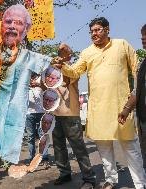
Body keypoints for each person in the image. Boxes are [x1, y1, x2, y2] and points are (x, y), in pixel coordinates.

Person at [55, 17, 146, 189]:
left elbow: (137, 69)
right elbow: (75, 72)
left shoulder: (122, 45)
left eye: (98, 30)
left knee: (131, 148)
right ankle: (111, 180)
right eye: (92, 32)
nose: (94, 34)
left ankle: (140, 184)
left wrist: (136, 96)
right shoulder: (87, 52)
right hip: (99, 109)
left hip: (122, 106)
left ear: (107, 29)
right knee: (104, 149)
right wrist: (63, 66)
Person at [0, 4, 56, 164]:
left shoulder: (21, 58)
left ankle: (39, 158)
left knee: (33, 134)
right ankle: (0, 160)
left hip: (27, 110)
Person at [52, 44, 96, 189]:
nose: (66, 55)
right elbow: (48, 84)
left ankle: (88, 178)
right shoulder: (52, 68)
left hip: (71, 112)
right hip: (55, 112)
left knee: (78, 147)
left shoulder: (73, 69)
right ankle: (64, 173)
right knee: (58, 146)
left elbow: (67, 79)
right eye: (62, 53)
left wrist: (61, 65)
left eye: (67, 53)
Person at [118, 24, 146, 169]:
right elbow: (137, 90)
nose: (143, 38)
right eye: (142, 35)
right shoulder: (141, 65)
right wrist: (127, 109)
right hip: (142, 120)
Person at [25, 73, 45, 164]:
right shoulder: (24, 78)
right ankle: (31, 157)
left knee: (42, 135)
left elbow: (47, 89)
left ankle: (44, 157)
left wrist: (38, 84)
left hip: (41, 112)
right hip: (28, 113)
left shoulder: (41, 77)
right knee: (30, 137)